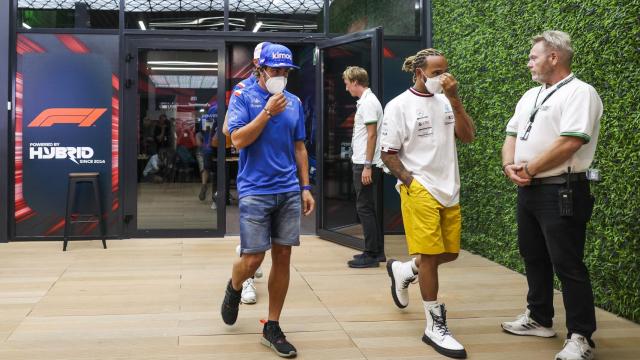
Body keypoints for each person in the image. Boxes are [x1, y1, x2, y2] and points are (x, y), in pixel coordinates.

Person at [500, 30, 602, 360]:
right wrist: (509, 165)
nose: (528, 61)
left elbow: (572, 141)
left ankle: (581, 336)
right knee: (533, 256)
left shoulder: (580, 93)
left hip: (563, 189)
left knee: (567, 263)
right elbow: (512, 134)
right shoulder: (530, 95)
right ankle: (540, 319)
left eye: (534, 56)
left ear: (553, 57)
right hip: (529, 191)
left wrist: (528, 170)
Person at [221, 43, 315, 358]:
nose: (281, 76)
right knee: (253, 259)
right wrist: (265, 112)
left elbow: (299, 146)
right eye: (276, 70)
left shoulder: (294, 103)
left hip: (288, 189)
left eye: (286, 71)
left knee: (284, 257)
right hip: (254, 189)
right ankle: (234, 287)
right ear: (261, 69)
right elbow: (236, 140)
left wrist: (305, 186)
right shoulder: (242, 96)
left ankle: (272, 325)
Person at [380, 48, 475, 359]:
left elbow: (468, 136)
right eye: (436, 73)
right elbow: (388, 152)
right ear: (419, 73)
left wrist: (455, 99)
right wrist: (411, 182)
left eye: (445, 71)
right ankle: (434, 326)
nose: (443, 78)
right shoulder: (399, 106)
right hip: (420, 188)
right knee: (431, 257)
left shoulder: (448, 101)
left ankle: (405, 271)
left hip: (450, 187)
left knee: (450, 252)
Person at [341, 66, 385, 268]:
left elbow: (372, 135)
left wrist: (367, 165)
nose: (346, 87)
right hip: (363, 162)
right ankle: (376, 252)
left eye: (347, 83)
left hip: (365, 164)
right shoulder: (367, 101)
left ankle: (372, 254)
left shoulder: (368, 103)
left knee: (364, 208)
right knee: (367, 207)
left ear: (355, 82)